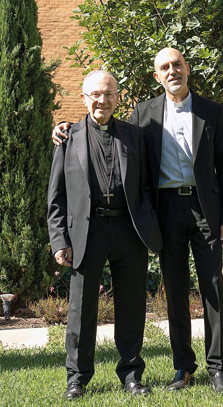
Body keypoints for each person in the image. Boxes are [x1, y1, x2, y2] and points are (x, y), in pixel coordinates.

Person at [53, 48, 223, 395]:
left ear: (187, 68)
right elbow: (102, 128)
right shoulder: (144, 114)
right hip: (165, 208)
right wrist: (65, 128)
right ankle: (183, 367)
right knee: (175, 291)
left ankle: (218, 368)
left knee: (213, 286)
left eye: (177, 64)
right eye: (164, 67)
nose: (172, 71)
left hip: (204, 209)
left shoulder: (212, 111)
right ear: (157, 76)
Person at [47, 70, 162, 400]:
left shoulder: (134, 136)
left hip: (128, 230)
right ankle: (77, 378)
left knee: (132, 307)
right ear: (84, 98)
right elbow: (56, 196)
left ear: (117, 98)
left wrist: (148, 226)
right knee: (81, 310)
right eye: (96, 94)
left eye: (109, 94)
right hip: (87, 232)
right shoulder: (67, 137)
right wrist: (60, 240)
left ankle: (131, 374)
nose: (103, 100)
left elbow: (148, 186)